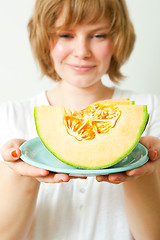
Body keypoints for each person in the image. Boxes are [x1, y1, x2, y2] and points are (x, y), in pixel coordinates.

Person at [0, 0, 160, 239]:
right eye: (65, 35)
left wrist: (137, 164)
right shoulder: (10, 116)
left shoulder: (151, 110)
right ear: (45, 39)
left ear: (117, 39)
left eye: (98, 35)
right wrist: (23, 175)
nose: (82, 51)